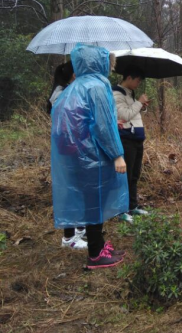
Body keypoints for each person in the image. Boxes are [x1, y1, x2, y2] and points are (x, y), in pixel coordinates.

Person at [51, 44, 128, 269]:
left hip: (77, 156)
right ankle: (96, 254)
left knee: (91, 200)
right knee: (96, 201)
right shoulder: (97, 86)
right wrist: (117, 154)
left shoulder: (75, 86)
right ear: (99, 62)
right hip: (94, 156)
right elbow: (103, 125)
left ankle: (99, 245)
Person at [47, 61, 87, 250]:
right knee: (71, 189)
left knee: (77, 187)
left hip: (71, 146)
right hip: (68, 147)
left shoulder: (64, 91)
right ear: (74, 75)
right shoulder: (62, 94)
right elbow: (69, 121)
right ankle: (69, 237)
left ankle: (79, 227)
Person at [112, 66, 150, 223]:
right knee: (125, 176)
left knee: (134, 175)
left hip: (136, 139)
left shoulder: (129, 94)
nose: (138, 83)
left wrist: (141, 106)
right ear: (128, 78)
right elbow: (125, 115)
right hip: (126, 140)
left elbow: (132, 114)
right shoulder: (117, 94)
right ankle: (121, 210)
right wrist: (139, 103)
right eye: (137, 80)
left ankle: (132, 206)